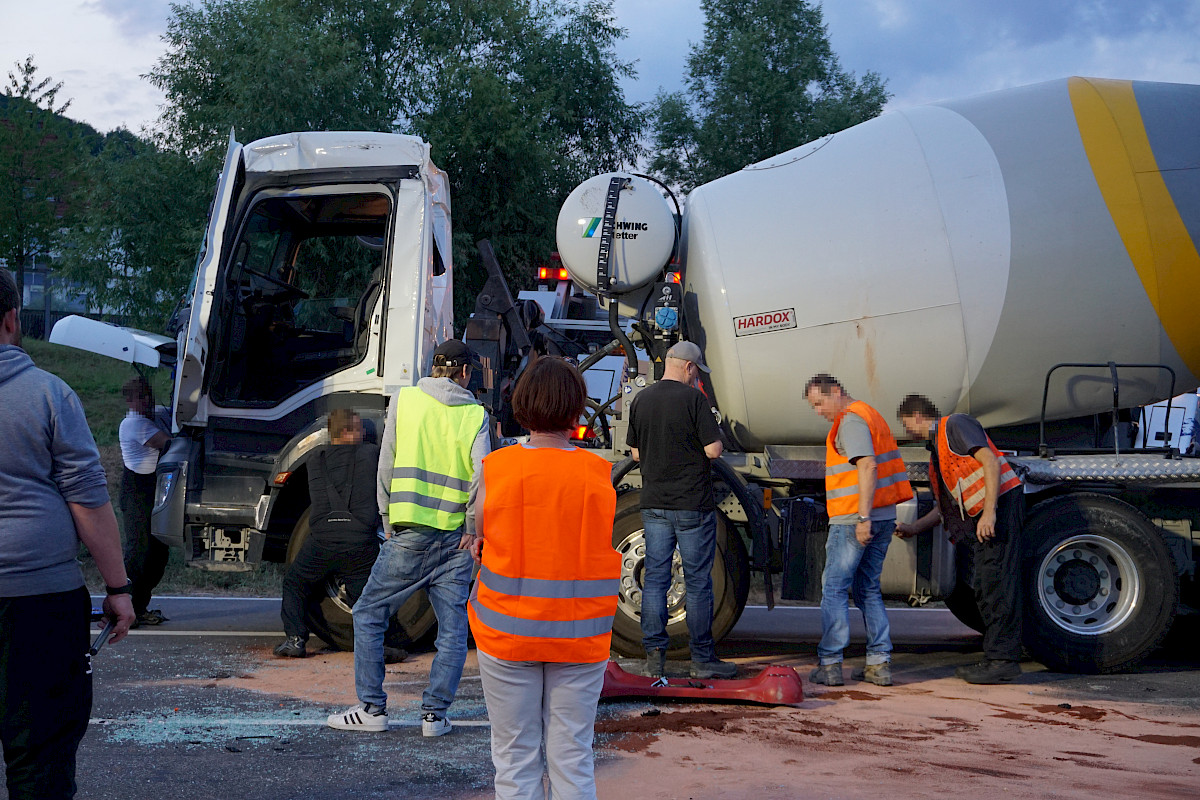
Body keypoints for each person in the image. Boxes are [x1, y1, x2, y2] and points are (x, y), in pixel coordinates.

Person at [0, 267, 136, 799]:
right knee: (41, 759)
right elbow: (87, 498)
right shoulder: (49, 395)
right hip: (40, 603)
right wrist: (119, 589)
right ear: (12, 319)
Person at [469, 356, 620, 800]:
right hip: (579, 636)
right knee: (572, 757)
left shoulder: (496, 470)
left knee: (515, 759)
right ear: (576, 411)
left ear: (522, 406)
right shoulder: (598, 476)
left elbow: (480, 533)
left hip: (506, 633)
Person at [328, 339, 490, 737]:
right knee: (452, 630)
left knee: (368, 613)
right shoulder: (475, 414)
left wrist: (387, 516)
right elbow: (481, 478)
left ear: (434, 367)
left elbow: (387, 461)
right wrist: (473, 529)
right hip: (456, 540)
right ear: (465, 372)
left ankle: (372, 708)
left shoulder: (406, 401)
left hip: (409, 532)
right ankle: (434, 715)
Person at [895, 394, 1026, 684]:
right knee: (985, 585)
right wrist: (915, 528)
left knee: (996, 584)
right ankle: (998, 655)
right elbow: (947, 508)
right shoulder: (938, 452)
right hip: (987, 515)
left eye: (906, 425)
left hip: (999, 509)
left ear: (917, 416)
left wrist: (990, 514)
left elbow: (990, 461)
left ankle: (1002, 661)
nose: (907, 433)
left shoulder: (955, 425)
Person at [627, 340, 737, 680]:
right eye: (696, 372)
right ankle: (703, 659)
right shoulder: (694, 400)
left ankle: (655, 659)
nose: (696, 378)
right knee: (698, 582)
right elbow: (714, 450)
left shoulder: (642, 399)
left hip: (655, 503)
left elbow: (635, 454)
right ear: (689, 368)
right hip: (691, 505)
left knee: (656, 579)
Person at [804, 374, 913, 687]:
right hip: (881, 516)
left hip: (855, 519)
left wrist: (863, 517)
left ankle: (830, 664)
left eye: (819, 402)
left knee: (835, 588)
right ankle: (878, 664)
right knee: (867, 588)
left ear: (836, 392)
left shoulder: (850, 421)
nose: (818, 410)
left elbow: (867, 465)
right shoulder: (870, 414)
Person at [275, 409, 382, 658]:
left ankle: (295, 639)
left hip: (322, 540)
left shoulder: (315, 459)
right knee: (366, 598)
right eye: (358, 428)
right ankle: (375, 645)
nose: (364, 433)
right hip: (359, 542)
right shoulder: (370, 454)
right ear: (345, 432)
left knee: (294, 583)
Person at [118, 376, 172, 627]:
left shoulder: (151, 416)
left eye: (147, 395)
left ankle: (140, 605)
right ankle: (126, 607)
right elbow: (167, 442)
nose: (145, 401)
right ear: (129, 401)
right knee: (138, 551)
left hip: (153, 488)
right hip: (136, 490)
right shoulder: (134, 424)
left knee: (159, 552)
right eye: (139, 397)